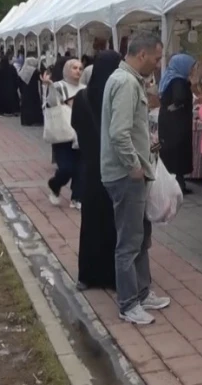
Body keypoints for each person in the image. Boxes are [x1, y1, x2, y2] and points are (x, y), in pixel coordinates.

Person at [101, 34, 170, 325]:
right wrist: (133, 165)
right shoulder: (126, 83)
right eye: (155, 59)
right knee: (129, 242)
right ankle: (129, 303)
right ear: (141, 54)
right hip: (125, 175)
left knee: (140, 238)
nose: (157, 65)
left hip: (131, 172)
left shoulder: (127, 80)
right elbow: (119, 133)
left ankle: (142, 292)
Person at [71, 50, 122, 291]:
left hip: (89, 168)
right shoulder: (116, 97)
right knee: (114, 224)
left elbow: (75, 125)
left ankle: (87, 275)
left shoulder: (81, 98)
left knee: (90, 223)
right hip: (113, 167)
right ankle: (112, 276)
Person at [44, 57, 84, 209]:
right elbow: (52, 104)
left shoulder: (85, 88)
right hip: (63, 134)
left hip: (81, 133)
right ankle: (55, 184)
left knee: (81, 168)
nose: (78, 71)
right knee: (67, 168)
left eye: (80, 68)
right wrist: (50, 87)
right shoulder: (59, 86)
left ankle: (77, 197)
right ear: (67, 70)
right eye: (74, 68)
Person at [158, 53, 198, 196]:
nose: (193, 70)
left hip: (170, 123)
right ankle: (176, 186)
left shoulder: (171, 78)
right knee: (176, 154)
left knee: (173, 154)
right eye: (191, 67)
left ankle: (178, 183)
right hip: (176, 125)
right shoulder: (178, 81)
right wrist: (176, 107)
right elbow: (179, 98)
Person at [18, 57, 44, 127]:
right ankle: (35, 120)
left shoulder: (22, 69)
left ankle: (25, 121)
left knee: (25, 106)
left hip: (24, 91)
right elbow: (41, 79)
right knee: (34, 105)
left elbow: (19, 81)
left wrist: (21, 90)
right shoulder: (35, 71)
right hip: (33, 91)